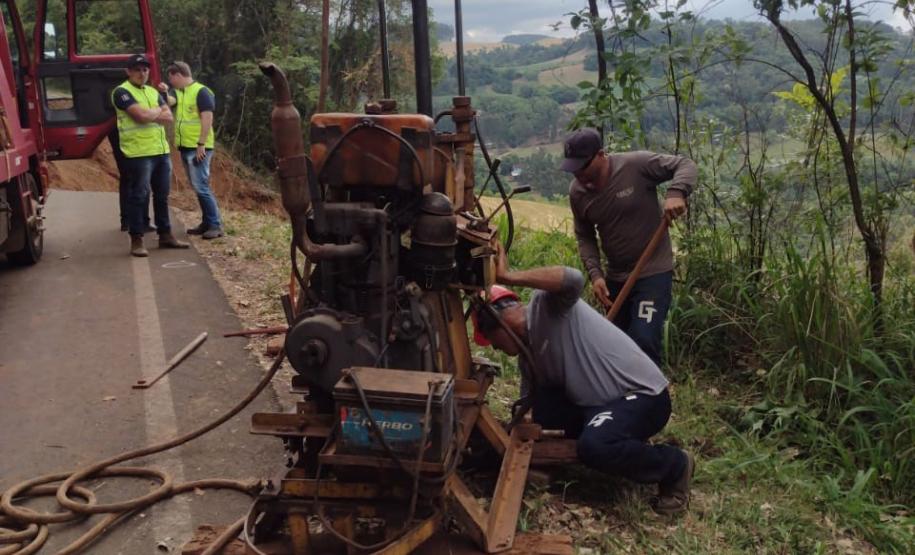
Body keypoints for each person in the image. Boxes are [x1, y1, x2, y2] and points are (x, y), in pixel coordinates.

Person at [472, 244, 694, 515]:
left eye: (492, 341)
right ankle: (609, 443)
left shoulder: (548, 306)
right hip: (599, 404)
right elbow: (528, 410)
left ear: (500, 321)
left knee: (595, 446)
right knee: (541, 408)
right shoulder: (529, 359)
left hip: (643, 396)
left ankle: (674, 465)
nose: (495, 349)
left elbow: (573, 278)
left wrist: (507, 276)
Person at [561, 128, 696, 367]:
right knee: (616, 344)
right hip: (615, 277)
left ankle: (651, 398)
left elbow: (685, 165)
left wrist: (676, 193)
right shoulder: (577, 193)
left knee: (644, 339)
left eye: (583, 166)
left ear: (601, 155)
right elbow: (585, 236)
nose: (578, 174)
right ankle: (622, 398)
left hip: (652, 272)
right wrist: (596, 275)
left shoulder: (636, 165)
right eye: (573, 168)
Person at [112, 53, 189, 256]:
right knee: (139, 195)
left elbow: (168, 117)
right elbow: (141, 116)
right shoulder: (122, 92)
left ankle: (165, 235)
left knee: (162, 196)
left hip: (161, 151)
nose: (142, 73)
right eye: (137, 69)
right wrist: (156, 111)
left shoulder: (152, 91)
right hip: (138, 153)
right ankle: (137, 239)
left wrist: (152, 113)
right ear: (128, 72)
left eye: (145, 69)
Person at [158, 61, 223, 239]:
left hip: (199, 147)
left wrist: (201, 143)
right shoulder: (180, 93)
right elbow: (167, 102)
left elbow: (207, 118)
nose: (171, 83)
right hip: (186, 146)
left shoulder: (201, 91)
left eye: (171, 79)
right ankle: (207, 222)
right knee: (197, 186)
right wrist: (163, 91)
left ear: (178, 75)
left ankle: (216, 225)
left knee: (201, 186)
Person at [108, 127, 152, 233]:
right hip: (129, 134)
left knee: (129, 178)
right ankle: (139, 221)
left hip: (122, 133)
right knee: (137, 177)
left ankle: (129, 221)